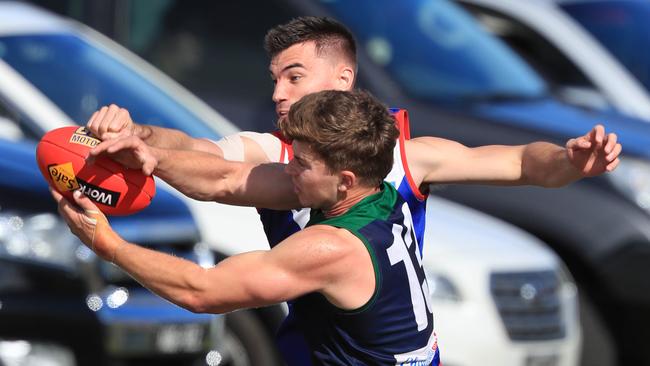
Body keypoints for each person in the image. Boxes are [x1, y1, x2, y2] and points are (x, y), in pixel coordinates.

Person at [80, 16, 620, 365]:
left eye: (294, 77)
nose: (277, 93)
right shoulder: (286, 157)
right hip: (327, 343)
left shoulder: (400, 157)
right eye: (274, 79)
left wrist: (571, 161)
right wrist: (143, 139)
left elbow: (525, 163)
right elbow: (214, 166)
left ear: (342, 80)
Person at [53, 89, 441, 365]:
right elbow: (226, 178)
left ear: (345, 180)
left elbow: (202, 291)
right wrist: (151, 157)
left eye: (301, 164)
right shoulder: (382, 196)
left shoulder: (334, 248)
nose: (289, 169)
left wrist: (106, 244)